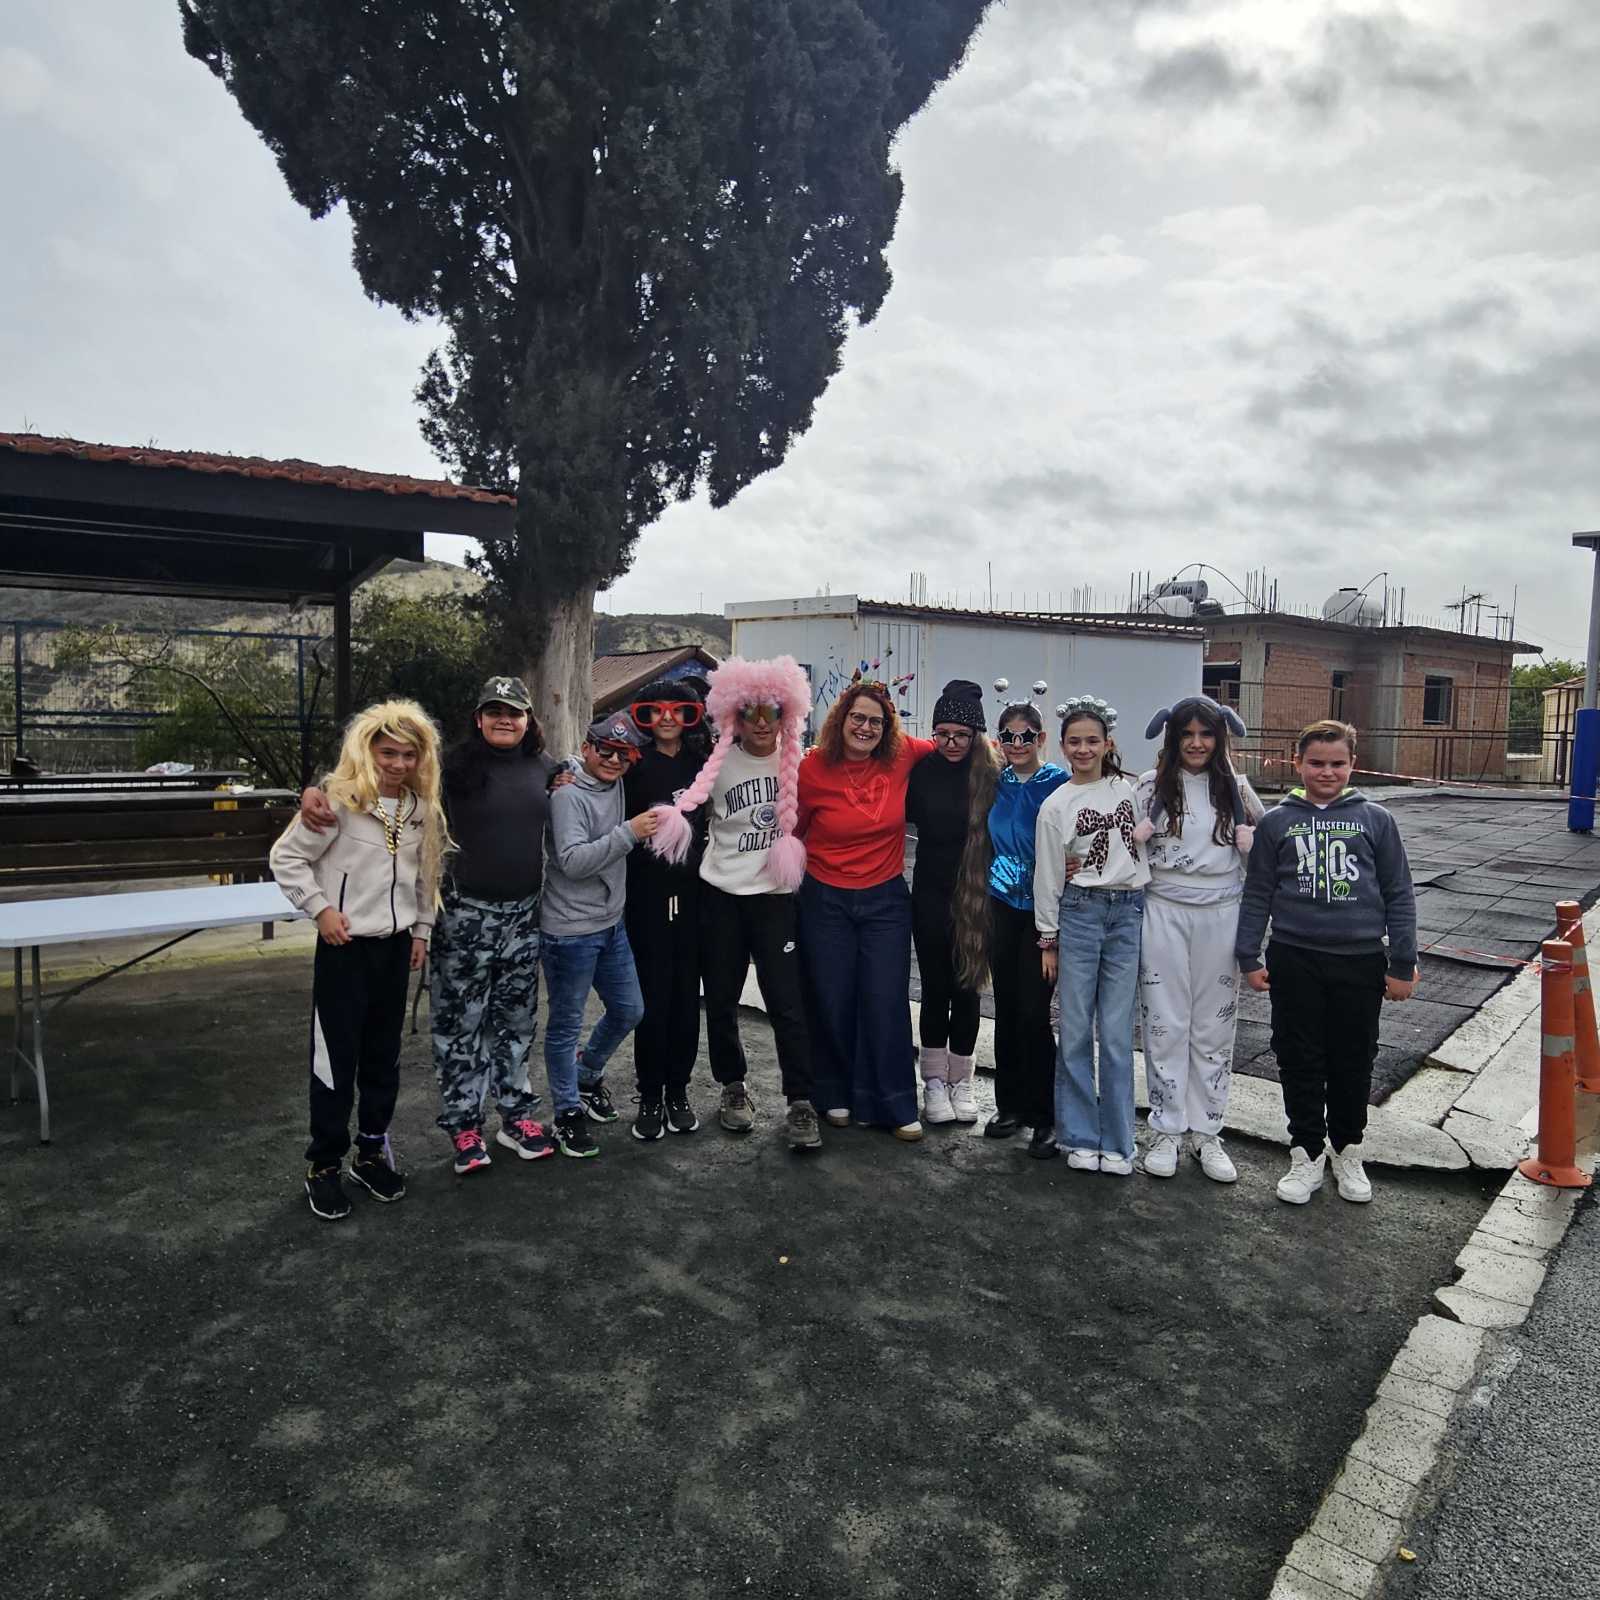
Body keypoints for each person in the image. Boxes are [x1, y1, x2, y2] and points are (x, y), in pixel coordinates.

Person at [297, 677, 561, 1178]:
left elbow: (598, 773)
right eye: (494, 711)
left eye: (515, 712)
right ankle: (465, 1126)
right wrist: (312, 789)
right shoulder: (448, 768)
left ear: (529, 720)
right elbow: (374, 771)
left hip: (524, 917)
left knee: (517, 1022)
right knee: (460, 1026)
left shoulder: (548, 770)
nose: (505, 720)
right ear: (479, 718)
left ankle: (515, 1117)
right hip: (463, 916)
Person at [270, 699, 450, 1220]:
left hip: (395, 949)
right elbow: (286, 858)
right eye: (387, 753)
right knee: (335, 1059)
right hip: (344, 949)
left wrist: (421, 932)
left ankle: (370, 1153)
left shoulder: (420, 810)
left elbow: (425, 877)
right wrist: (321, 909)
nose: (398, 764)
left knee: (382, 1056)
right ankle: (323, 1165)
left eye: (408, 755)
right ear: (366, 750)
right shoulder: (338, 803)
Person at [1235, 719, 1418, 1205]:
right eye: (1316, 763)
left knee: (1353, 1058)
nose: (1327, 772)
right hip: (1294, 959)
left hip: (1360, 961)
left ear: (1353, 764)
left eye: (1337, 763)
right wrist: (1248, 954)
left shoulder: (1376, 820)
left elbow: (1399, 893)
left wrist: (1402, 962)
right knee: (1298, 1056)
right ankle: (1306, 1151)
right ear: (1297, 763)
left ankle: (1347, 1147)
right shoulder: (1276, 822)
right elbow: (1258, 893)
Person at [646, 655, 821, 1151]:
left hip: (776, 899)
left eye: (771, 712)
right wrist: (568, 773)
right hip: (720, 895)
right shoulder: (712, 763)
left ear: (788, 712)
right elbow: (653, 766)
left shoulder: (803, 764)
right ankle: (733, 1086)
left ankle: (800, 1100)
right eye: (750, 713)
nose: (761, 723)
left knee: (786, 1002)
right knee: (721, 1000)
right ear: (733, 715)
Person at [795, 678, 936, 1138]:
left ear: (888, 727)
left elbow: (955, 746)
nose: (866, 728)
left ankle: (893, 1103)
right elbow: (792, 829)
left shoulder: (903, 754)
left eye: (876, 721)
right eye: (858, 717)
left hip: (885, 900)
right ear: (841, 719)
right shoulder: (811, 768)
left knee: (885, 999)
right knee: (832, 997)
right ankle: (832, 1092)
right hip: (825, 898)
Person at [1132, 696, 1265, 1183]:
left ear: (1220, 736)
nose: (1196, 743)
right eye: (1186, 734)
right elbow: (1124, 849)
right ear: (1172, 737)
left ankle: (1207, 1131)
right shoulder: (1148, 787)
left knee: (1214, 1027)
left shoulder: (1239, 790)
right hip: (1163, 912)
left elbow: (1267, 855)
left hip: (1221, 915)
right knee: (1164, 1024)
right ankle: (1166, 1128)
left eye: (1205, 734)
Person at [1034, 695, 1149, 1174]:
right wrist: (1048, 939)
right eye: (1075, 742)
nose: (1084, 749)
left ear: (1108, 743)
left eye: (1092, 741)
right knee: (1076, 1028)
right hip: (1080, 912)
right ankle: (1080, 1135)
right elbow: (1047, 875)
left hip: (1127, 912)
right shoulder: (1055, 805)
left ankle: (1119, 1140)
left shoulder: (1131, 790)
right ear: (1062, 746)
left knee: (1118, 1034)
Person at [541, 713, 656, 1158]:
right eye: (604, 749)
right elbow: (571, 862)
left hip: (611, 923)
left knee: (629, 1010)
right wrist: (629, 833)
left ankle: (586, 1076)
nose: (613, 760)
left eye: (623, 754)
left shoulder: (618, 784)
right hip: (569, 931)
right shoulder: (567, 793)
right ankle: (566, 1113)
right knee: (565, 1025)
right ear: (586, 747)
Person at [972, 700, 1069, 1148]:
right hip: (1000, 906)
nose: (1016, 744)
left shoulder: (1059, 784)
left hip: (1042, 910)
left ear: (1040, 738)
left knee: (1034, 1012)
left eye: (1025, 736)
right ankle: (1009, 1104)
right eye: (1008, 736)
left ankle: (1046, 1113)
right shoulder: (996, 782)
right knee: (1007, 1008)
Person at [905, 679, 998, 1125]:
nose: (952, 743)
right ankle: (934, 1082)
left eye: (961, 735)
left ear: (976, 735)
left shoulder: (992, 776)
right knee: (934, 989)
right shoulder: (922, 771)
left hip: (977, 897)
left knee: (967, 991)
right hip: (930, 893)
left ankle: (962, 1080)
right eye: (942, 733)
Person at [623, 678, 710, 1141]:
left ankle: (678, 1090)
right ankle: (650, 1094)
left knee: (685, 1001)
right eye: (656, 710)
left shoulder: (704, 763)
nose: (668, 718)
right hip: (646, 897)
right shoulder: (632, 764)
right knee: (652, 1001)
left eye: (679, 709)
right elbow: (593, 776)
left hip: (695, 897)